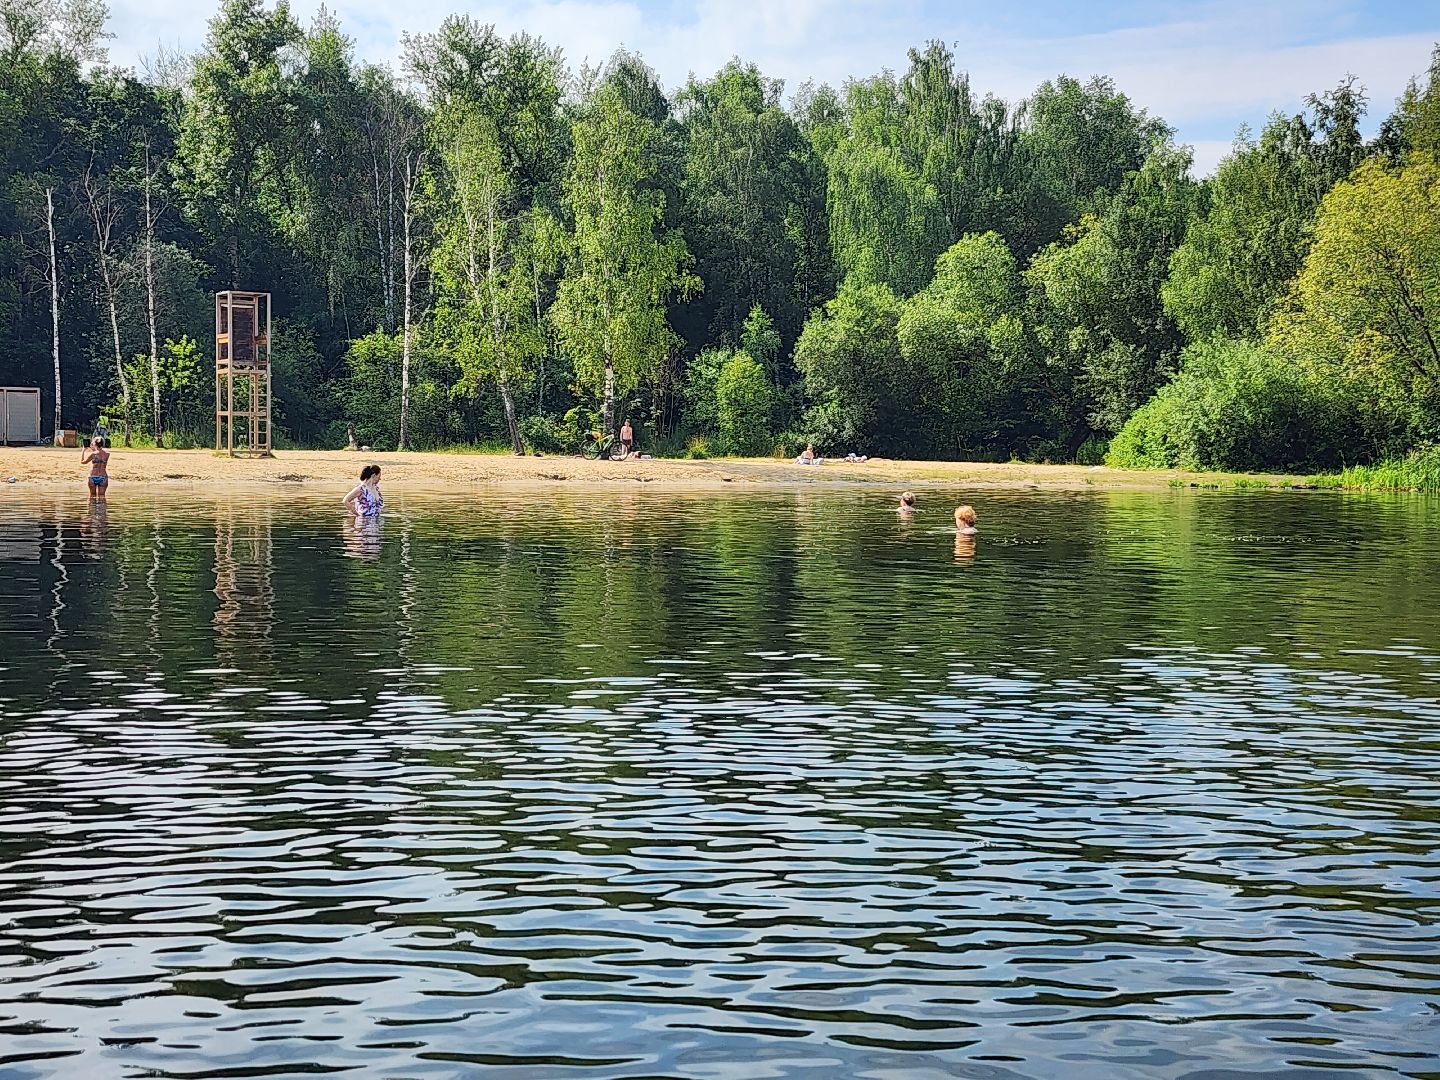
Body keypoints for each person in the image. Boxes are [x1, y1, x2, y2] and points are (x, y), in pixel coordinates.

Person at [81, 435, 109, 502]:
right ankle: (101, 512)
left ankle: (93, 511)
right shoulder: (107, 454)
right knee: (102, 498)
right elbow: (100, 452)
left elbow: (83, 462)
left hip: (93, 476)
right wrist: (94, 448)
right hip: (103, 476)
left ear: (95, 444)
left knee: (92, 497)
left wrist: (83, 451)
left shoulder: (93, 454)